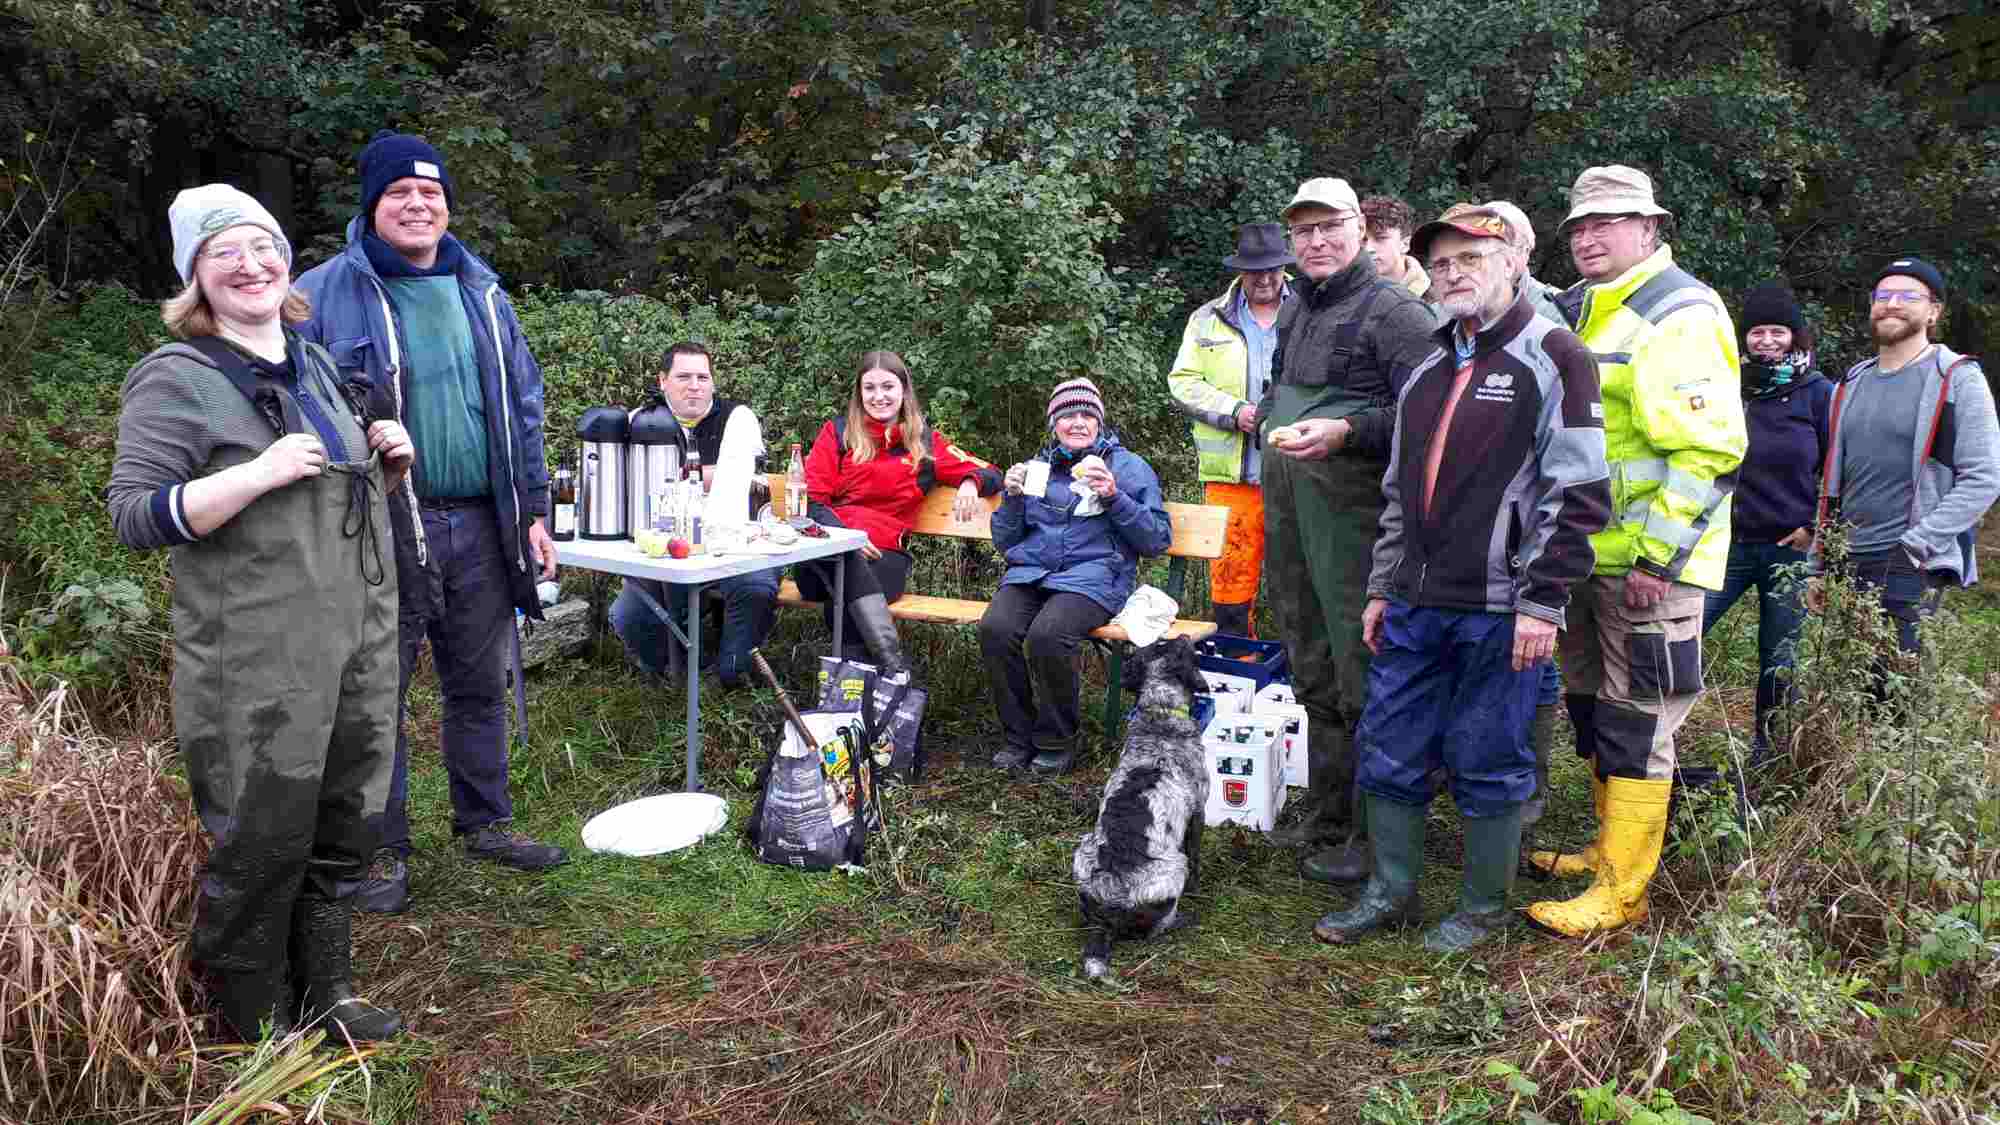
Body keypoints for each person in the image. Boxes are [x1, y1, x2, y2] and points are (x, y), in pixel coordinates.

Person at [108, 185, 410, 1041]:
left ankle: (328, 991)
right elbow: (135, 514)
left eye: (263, 246)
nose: (252, 265)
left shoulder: (318, 366)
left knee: (346, 818)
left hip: (357, 641)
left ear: (287, 260)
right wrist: (255, 471)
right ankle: (247, 1026)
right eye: (224, 253)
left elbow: (325, 505)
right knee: (262, 835)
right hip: (254, 659)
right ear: (195, 279)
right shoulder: (178, 378)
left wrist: (385, 462)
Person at [1314, 204, 1610, 951]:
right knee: (1391, 743)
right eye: (1441, 263)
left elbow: (1578, 493)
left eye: (1470, 259)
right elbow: (1397, 490)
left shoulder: (1555, 355)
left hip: (1503, 606)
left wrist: (1543, 601)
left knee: (1490, 752)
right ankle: (1391, 891)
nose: (1452, 274)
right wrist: (1383, 584)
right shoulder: (1428, 363)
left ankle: (1482, 908)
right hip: (1415, 600)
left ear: (1512, 261)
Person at [295, 131, 566, 917]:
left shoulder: (483, 291)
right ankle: (381, 844)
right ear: (371, 205)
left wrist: (536, 507)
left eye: (431, 194)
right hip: (380, 527)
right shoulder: (321, 293)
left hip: (484, 522)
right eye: (399, 195)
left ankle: (486, 822)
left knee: (480, 679)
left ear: (447, 205)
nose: (418, 206)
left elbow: (523, 406)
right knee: (378, 688)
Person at [1525, 165, 1746, 937]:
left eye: (1609, 223)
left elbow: (1709, 453)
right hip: (1589, 558)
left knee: (1641, 719)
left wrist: (1658, 558)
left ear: (1650, 229)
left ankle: (1624, 890)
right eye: (1580, 225)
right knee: (1593, 708)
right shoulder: (1587, 308)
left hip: (1649, 568)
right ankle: (1602, 846)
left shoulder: (1676, 311)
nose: (1589, 236)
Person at [1256, 177, 1438, 882]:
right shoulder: (1299, 305)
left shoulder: (1396, 311)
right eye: (1303, 231)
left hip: (1359, 523)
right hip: (1294, 515)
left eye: (1329, 226)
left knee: (1364, 674)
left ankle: (1374, 834)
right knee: (1309, 661)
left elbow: (1431, 416)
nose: (1316, 241)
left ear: (1360, 227)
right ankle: (1328, 812)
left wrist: (1348, 429)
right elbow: (1278, 392)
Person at [1808, 258, 2000, 657]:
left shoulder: (1958, 378)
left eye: (1908, 296)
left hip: (1909, 563)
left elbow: (1984, 476)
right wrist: (1820, 563)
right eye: (1883, 295)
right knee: (1847, 691)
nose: (1892, 304)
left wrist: (1918, 544)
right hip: (1845, 560)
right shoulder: (1850, 382)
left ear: (1933, 311)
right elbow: (1832, 481)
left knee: (1896, 694)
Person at [981, 378, 1172, 774]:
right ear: (1054, 425)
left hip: (1096, 577)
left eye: (1087, 415)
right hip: (1032, 573)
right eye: (1068, 416)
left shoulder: (1129, 468)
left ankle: (1057, 738)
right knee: (996, 629)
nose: (1079, 423)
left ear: (1100, 422)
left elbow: (1156, 539)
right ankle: (1017, 736)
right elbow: (1005, 539)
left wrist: (1114, 496)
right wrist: (1012, 499)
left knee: (1049, 634)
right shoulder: (1038, 469)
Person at [795, 350, 1002, 667]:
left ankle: (849, 694)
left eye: (887, 387)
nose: (879, 397)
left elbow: (991, 472)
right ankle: (892, 667)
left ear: (903, 390)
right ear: (859, 393)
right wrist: (846, 539)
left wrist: (970, 483)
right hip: (826, 550)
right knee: (848, 565)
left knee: (847, 594)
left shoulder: (924, 444)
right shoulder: (837, 433)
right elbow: (811, 500)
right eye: (870, 388)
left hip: (884, 554)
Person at [1700, 284, 1831, 764]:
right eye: (1758, 331)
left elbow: (1838, 467)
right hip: (1725, 545)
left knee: (1779, 662)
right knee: (1681, 637)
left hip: (1788, 550)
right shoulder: (1726, 384)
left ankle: (1767, 755)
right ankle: (1656, 741)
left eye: (1778, 331)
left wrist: (1815, 528)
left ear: (1795, 337)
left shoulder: (1819, 393)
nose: (1767, 341)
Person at [610, 341, 779, 687]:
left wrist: (666, 478)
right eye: (683, 376)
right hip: (666, 550)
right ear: (663, 381)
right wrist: (703, 476)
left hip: (737, 544)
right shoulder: (640, 420)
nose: (695, 385)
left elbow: (733, 481)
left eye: (703, 377)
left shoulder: (738, 418)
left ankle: (731, 674)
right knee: (628, 615)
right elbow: (627, 485)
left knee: (756, 588)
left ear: (713, 382)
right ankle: (694, 676)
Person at [1163, 223, 1294, 636]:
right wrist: (1234, 411)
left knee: (1302, 580)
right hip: (1232, 477)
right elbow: (1182, 382)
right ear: (1241, 271)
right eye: (1256, 270)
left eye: (1274, 269)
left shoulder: (1312, 310)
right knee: (1231, 580)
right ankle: (1237, 665)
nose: (1266, 278)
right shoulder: (1207, 318)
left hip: (1302, 472)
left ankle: (1306, 686)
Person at [1485, 196, 1568, 831]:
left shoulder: (1551, 315)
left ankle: (1526, 797)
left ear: (1523, 252)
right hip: (1467, 522)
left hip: (1528, 516)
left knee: (1533, 661)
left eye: (1501, 239)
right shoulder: (1452, 314)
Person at [1360, 195, 1431, 301]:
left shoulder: (1436, 298)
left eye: (1380, 238)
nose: (1368, 248)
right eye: (1363, 240)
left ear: (1405, 244)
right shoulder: (1344, 295)